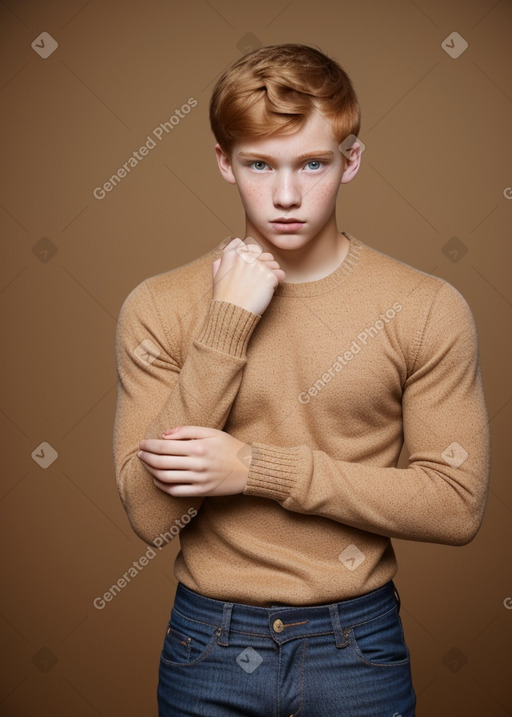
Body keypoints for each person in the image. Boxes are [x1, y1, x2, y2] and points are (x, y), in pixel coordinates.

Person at [113, 43, 491, 716]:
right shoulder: (159, 304)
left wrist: (257, 468)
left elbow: (455, 503)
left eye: (312, 163)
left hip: (359, 643)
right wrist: (227, 320)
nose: (286, 195)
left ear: (351, 160)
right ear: (225, 162)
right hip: (209, 641)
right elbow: (150, 515)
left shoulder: (428, 306)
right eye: (260, 165)